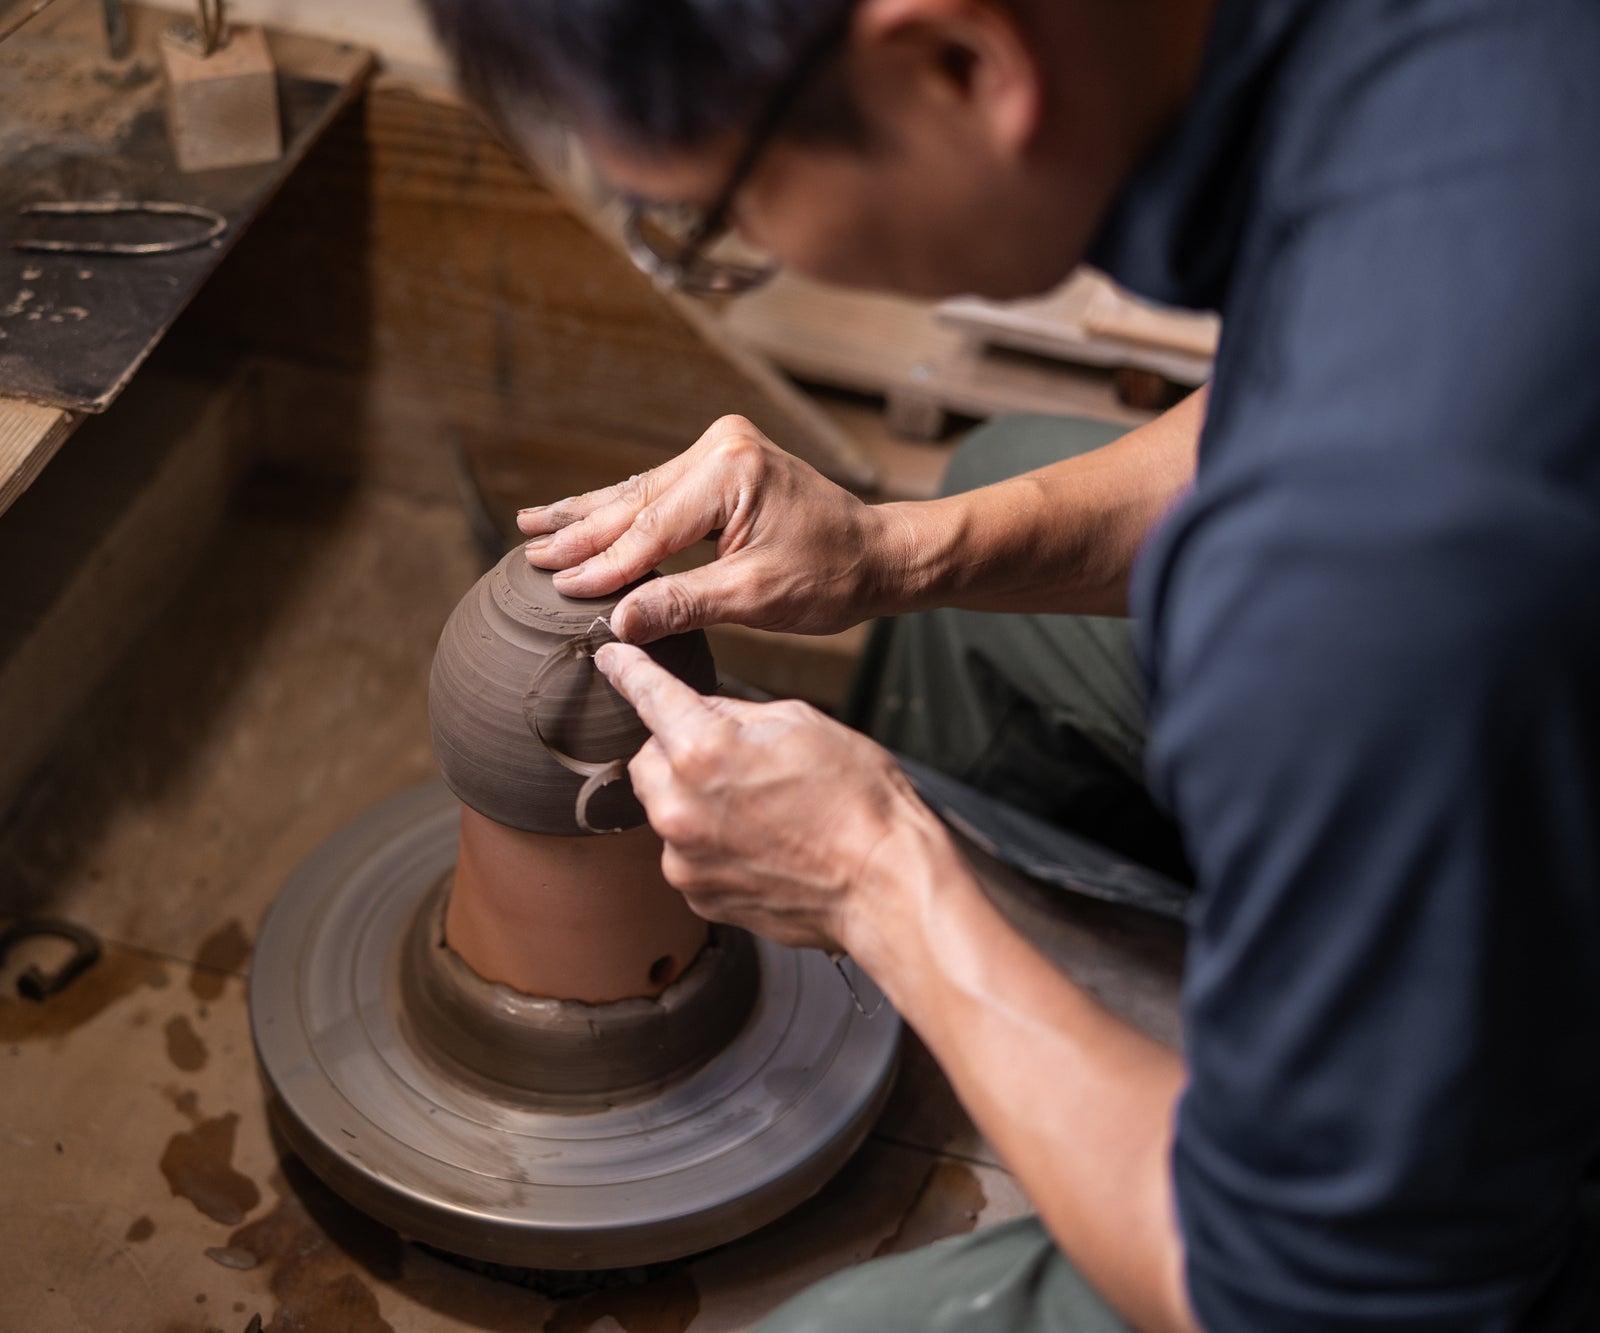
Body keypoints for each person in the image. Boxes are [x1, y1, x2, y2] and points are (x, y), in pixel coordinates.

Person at [418, 0, 1600, 1330]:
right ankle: (1082, 1065)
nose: (741, 251)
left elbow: (1320, 1305)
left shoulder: (1359, 570)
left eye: (709, 224)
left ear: (961, 66)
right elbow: (1308, 375)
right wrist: (891, 549)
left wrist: (878, 880)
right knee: (991, 502)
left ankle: (1181, 1121)